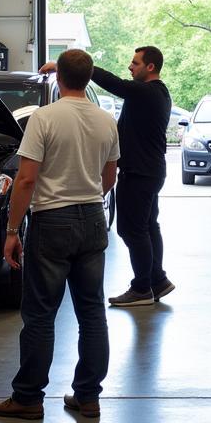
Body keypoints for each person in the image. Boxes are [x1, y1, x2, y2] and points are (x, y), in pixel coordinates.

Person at [0, 48, 119, 422]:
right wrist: (90, 197)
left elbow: (26, 179)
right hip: (92, 217)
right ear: (89, 78)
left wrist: (12, 231)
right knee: (92, 312)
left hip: (52, 221)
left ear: (58, 77)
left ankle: (28, 398)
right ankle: (88, 396)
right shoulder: (106, 120)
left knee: (41, 314)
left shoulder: (44, 118)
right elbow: (110, 176)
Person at [41, 45, 173, 308]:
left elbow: (114, 83)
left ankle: (142, 288)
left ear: (150, 67)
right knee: (148, 226)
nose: (130, 66)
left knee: (131, 229)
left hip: (139, 172)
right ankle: (157, 280)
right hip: (149, 170)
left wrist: (63, 66)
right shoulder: (155, 94)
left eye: (135, 63)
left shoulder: (147, 92)